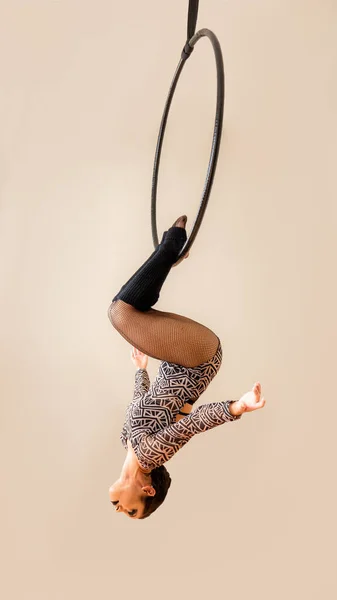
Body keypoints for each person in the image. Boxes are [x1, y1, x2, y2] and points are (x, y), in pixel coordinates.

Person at [107, 215, 266, 519]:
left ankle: (169, 252)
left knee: (133, 309)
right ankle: (172, 245)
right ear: (147, 490)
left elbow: (141, 401)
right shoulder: (151, 454)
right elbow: (192, 425)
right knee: (120, 313)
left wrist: (141, 370)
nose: (121, 511)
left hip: (177, 360)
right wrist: (235, 408)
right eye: (132, 511)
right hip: (195, 361)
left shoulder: (127, 440)